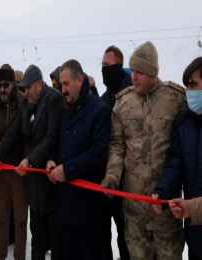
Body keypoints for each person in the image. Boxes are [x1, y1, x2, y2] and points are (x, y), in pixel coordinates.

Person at [101, 41, 187, 259]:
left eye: (140, 71)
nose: (134, 76)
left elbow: (185, 147)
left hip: (165, 210)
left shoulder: (175, 98)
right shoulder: (123, 103)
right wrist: (112, 176)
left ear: (152, 72)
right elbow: (117, 145)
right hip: (134, 209)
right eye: (133, 70)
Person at [0, 64, 64, 260]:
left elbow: (51, 137)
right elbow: (13, 133)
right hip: (33, 184)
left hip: (51, 180)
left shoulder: (54, 99)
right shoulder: (25, 104)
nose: (26, 91)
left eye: (29, 87)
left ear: (39, 84)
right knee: (37, 236)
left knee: (55, 239)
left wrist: (30, 160)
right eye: (24, 88)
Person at [46, 59, 111, 259]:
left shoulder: (99, 110)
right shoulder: (67, 108)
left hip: (90, 211)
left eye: (66, 84)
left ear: (80, 79)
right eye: (61, 85)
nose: (62, 90)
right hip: (67, 208)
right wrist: (52, 160)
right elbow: (60, 142)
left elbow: (98, 153)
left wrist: (66, 170)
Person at [152, 57, 202, 259]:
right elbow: (175, 164)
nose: (189, 93)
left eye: (193, 86)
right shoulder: (184, 122)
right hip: (196, 232)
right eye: (187, 87)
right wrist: (162, 192)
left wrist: (193, 208)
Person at [0, 64, 27, 260]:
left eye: (5, 85)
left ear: (13, 84)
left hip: (19, 170)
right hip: (0, 171)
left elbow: (23, 135)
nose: (1, 89)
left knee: (19, 220)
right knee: (1, 218)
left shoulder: (24, 103)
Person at [100, 45, 131, 260]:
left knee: (127, 236)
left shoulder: (132, 95)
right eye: (101, 65)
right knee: (109, 235)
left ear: (119, 66)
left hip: (129, 180)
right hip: (108, 179)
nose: (103, 70)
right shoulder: (105, 98)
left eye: (107, 65)